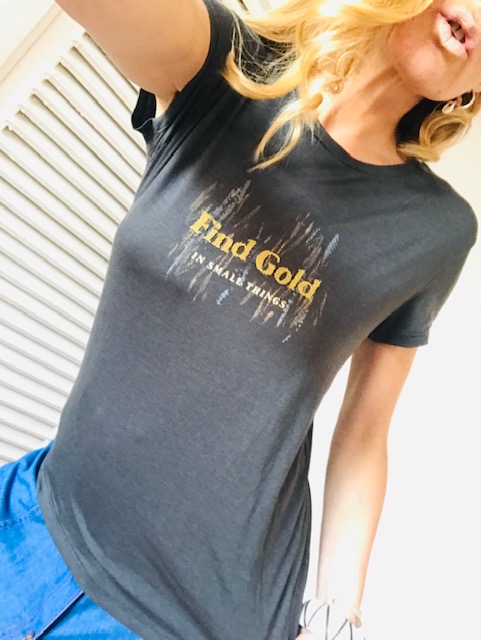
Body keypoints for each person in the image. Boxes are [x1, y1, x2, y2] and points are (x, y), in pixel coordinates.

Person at [0, 0, 479, 638]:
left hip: (198, 619)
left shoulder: (436, 229)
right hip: (36, 517)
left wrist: (335, 617)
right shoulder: (229, 66)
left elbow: (365, 430)